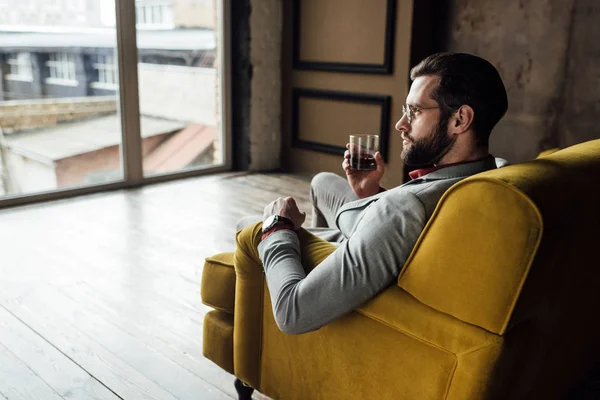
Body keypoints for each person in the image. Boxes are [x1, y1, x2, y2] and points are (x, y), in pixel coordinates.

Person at [256, 52, 508, 335]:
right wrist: (372, 193)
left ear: (460, 119)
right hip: (384, 225)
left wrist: (276, 228)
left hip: (383, 232)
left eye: (415, 111)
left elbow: (293, 313)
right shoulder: (495, 172)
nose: (401, 123)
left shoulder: (404, 209)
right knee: (322, 182)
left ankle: (320, 267)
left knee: (253, 227)